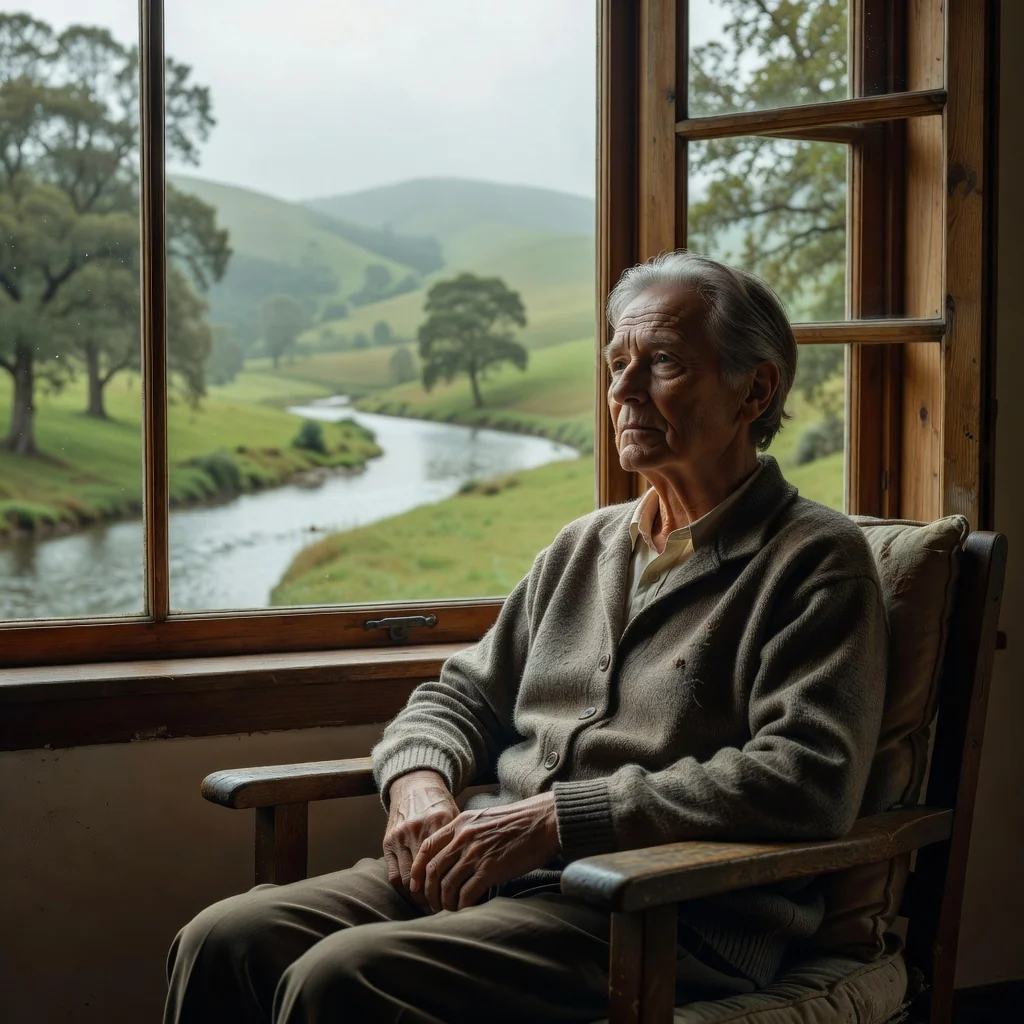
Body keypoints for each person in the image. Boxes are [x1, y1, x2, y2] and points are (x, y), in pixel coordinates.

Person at [164, 251, 887, 1024]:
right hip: (492, 873)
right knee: (222, 939)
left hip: (660, 916)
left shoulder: (816, 561)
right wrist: (416, 785)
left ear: (757, 389)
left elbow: (808, 776)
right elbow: (459, 696)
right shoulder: (587, 545)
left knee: (341, 979)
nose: (623, 390)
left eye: (663, 362)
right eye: (616, 364)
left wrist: (554, 820)